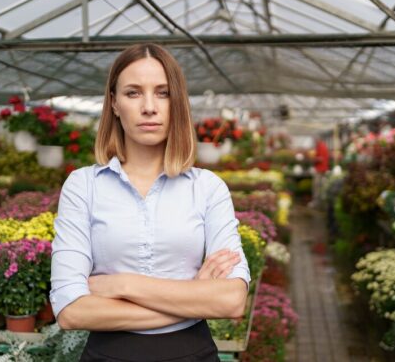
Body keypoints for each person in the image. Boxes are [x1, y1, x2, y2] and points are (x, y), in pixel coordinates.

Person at [50, 43, 251, 362]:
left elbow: (231, 301)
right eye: (133, 93)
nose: (149, 107)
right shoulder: (83, 186)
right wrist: (194, 298)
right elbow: (71, 310)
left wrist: (122, 284)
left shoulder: (208, 188)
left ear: (177, 102)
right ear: (114, 103)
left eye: (162, 92)